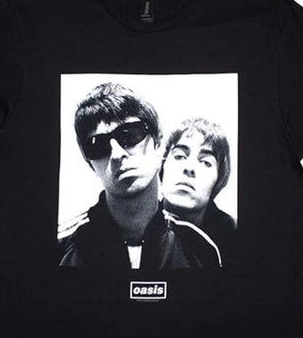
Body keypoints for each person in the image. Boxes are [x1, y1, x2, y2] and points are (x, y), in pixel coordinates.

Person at [58, 83, 222, 269]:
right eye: (98, 145)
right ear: (90, 164)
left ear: (159, 144)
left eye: (130, 136)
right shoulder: (59, 247)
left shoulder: (200, 249)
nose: (117, 154)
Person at [161, 117, 237, 267]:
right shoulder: (135, 226)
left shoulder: (235, 238)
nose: (189, 168)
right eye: (179, 156)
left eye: (205, 162)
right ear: (162, 166)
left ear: (219, 179)